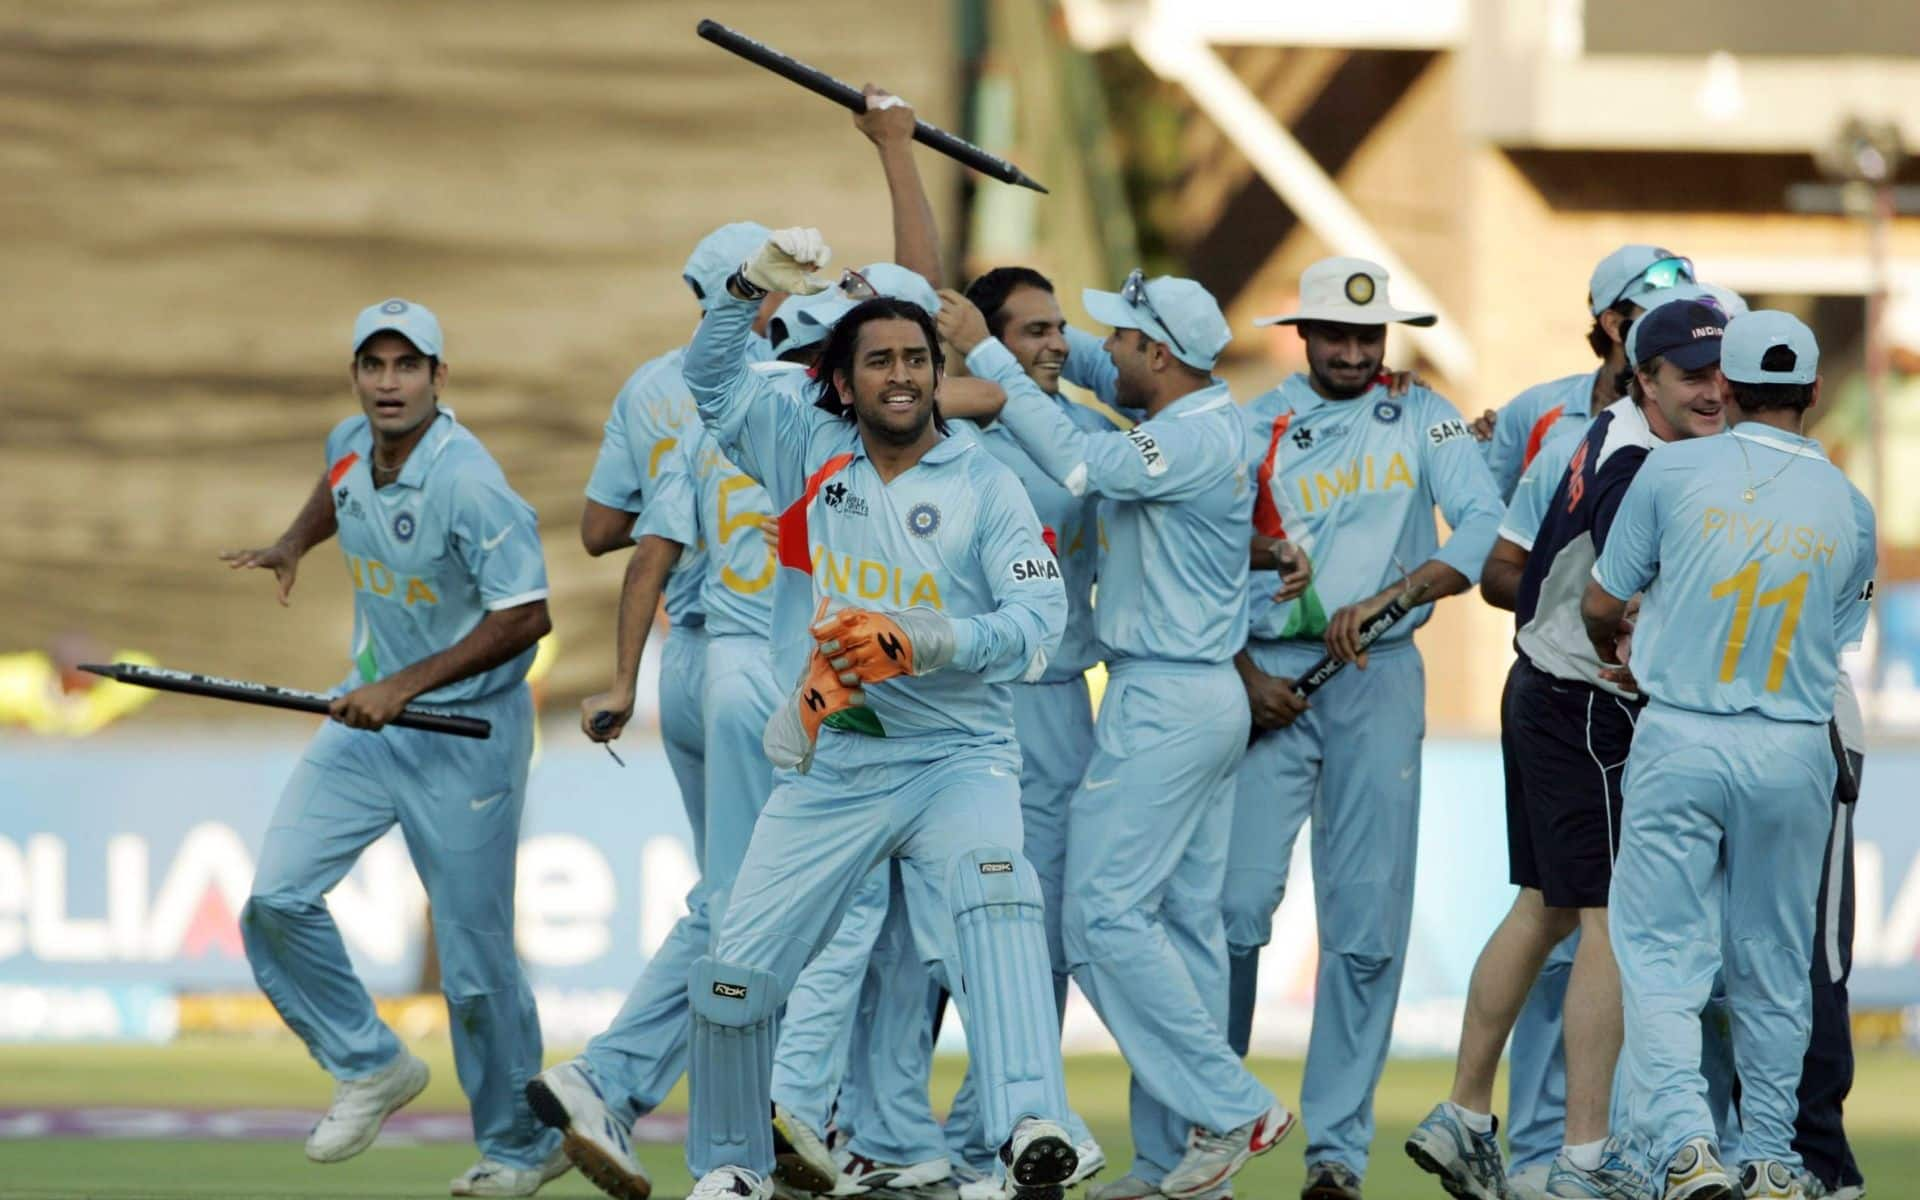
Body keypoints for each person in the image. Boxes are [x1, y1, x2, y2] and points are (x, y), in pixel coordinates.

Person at [681, 227, 1076, 1200]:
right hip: (839, 757)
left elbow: (1040, 625)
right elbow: (713, 386)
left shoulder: (985, 482)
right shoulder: (804, 446)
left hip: (958, 756)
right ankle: (730, 1168)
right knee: (738, 963)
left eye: (915, 359)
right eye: (879, 361)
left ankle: (1032, 1123)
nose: (901, 376)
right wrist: (744, 288)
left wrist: (927, 640)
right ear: (843, 382)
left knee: (996, 895)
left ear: (937, 374)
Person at [943, 268, 1292, 1200]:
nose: (1102, 354)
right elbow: (1094, 383)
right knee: (1183, 927)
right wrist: (1013, 348)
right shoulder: (1199, 415)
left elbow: (1077, 460)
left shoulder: (1181, 439)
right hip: (1198, 692)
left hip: (1165, 701)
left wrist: (984, 350)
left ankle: (1230, 1106)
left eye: (1122, 343)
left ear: (1161, 354)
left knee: (1096, 918)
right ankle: (1184, 1166)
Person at [222, 299, 565, 1197]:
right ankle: (371, 1063)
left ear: (438, 380)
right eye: (373, 366)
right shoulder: (349, 438)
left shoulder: (470, 481)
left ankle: (522, 1147)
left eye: (406, 367)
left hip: (466, 737)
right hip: (369, 725)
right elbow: (339, 488)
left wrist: (404, 687)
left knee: (477, 968)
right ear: (356, 377)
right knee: (274, 898)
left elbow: (528, 616)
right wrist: (293, 543)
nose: (388, 383)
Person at [1409, 296, 1732, 1199]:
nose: (1713, 393)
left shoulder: (1610, 431)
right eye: (1691, 377)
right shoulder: (1640, 464)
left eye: (1719, 373)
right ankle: (1585, 1157)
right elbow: (1616, 603)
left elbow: (1514, 566)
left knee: (1544, 909)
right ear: (1644, 379)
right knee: (1607, 922)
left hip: (1546, 691)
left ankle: (1467, 1113)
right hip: (1588, 700)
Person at [1224, 257, 1503, 1200]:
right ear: (1300, 335)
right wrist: (1245, 674)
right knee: (1229, 912)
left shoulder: (1426, 416)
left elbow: (1479, 528)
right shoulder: (1250, 423)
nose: (1352, 352)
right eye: (1335, 336)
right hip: (1267, 688)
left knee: (1368, 926)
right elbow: (1190, 567)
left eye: (1368, 336)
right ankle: (1214, 1125)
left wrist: (1398, 592)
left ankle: (1336, 1154)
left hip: (1377, 680)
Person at [1583, 311, 1876, 1200]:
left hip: (1683, 732)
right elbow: (1836, 642)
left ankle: (1683, 1145)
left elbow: (1603, 601)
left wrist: (1628, 640)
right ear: (1815, 392)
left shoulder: (1672, 468)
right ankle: (1775, 1160)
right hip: (1792, 747)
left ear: (1730, 387)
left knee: (1662, 951)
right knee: (1776, 962)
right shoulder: (1850, 505)